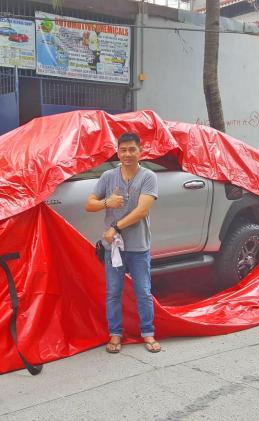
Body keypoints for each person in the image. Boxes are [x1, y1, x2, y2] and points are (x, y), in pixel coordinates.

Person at [84, 132, 160, 354]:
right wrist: (108, 202)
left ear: (140, 151)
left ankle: (148, 332)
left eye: (132, 149)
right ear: (117, 152)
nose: (127, 154)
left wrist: (115, 227)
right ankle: (115, 334)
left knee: (143, 291)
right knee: (113, 292)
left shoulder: (148, 177)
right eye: (123, 150)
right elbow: (89, 204)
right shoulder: (108, 177)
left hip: (138, 246)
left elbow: (142, 210)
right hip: (113, 248)